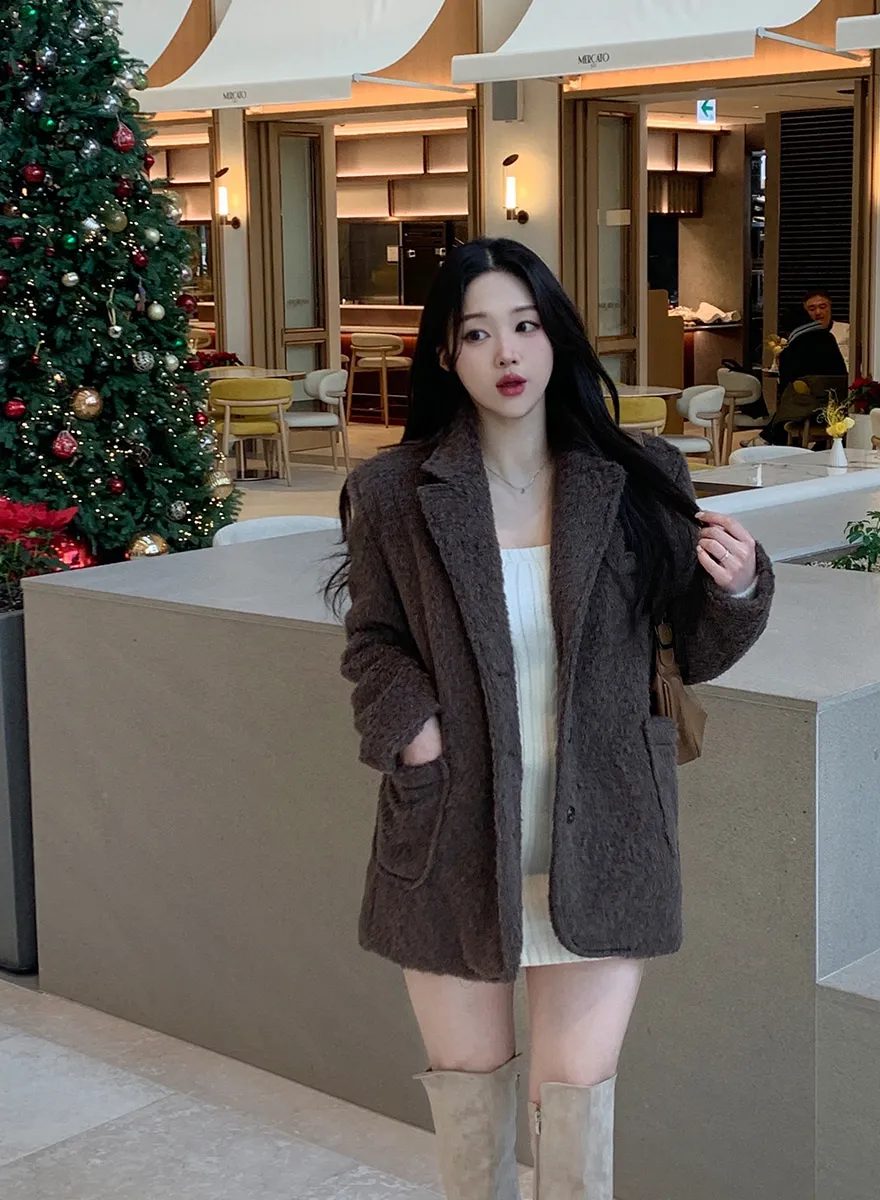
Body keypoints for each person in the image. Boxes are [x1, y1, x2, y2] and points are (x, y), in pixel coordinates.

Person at [330, 237, 774, 1199]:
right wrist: (412, 729)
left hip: (607, 830)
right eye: (477, 333)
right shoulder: (394, 493)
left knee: (572, 1105)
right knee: (468, 1098)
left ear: (556, 336)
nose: (507, 353)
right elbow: (373, 642)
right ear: (446, 354)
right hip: (451, 832)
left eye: (525, 326)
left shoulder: (638, 474)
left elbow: (689, 651)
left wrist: (738, 588)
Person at [755, 288, 849, 446]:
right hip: (838, 402)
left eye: (823, 306)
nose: (818, 312)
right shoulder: (827, 338)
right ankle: (769, 436)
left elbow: (786, 383)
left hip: (809, 409)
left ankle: (770, 437)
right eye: (812, 309)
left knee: (792, 396)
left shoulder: (846, 331)